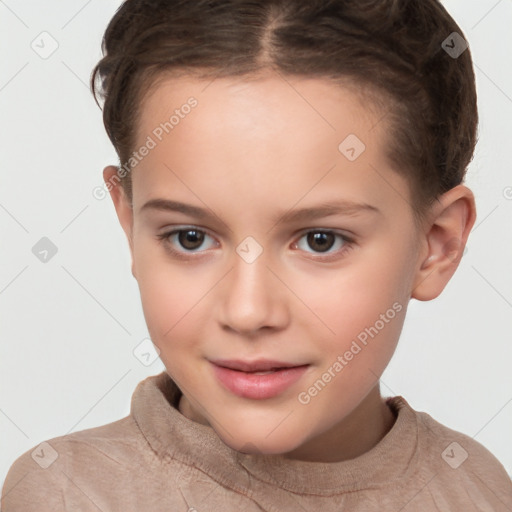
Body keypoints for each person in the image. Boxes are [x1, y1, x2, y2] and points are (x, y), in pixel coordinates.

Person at [2, 0, 511, 510]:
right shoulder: (66, 495)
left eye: (320, 241)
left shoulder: (480, 491)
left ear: (436, 244)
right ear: (131, 224)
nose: (247, 311)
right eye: (190, 238)